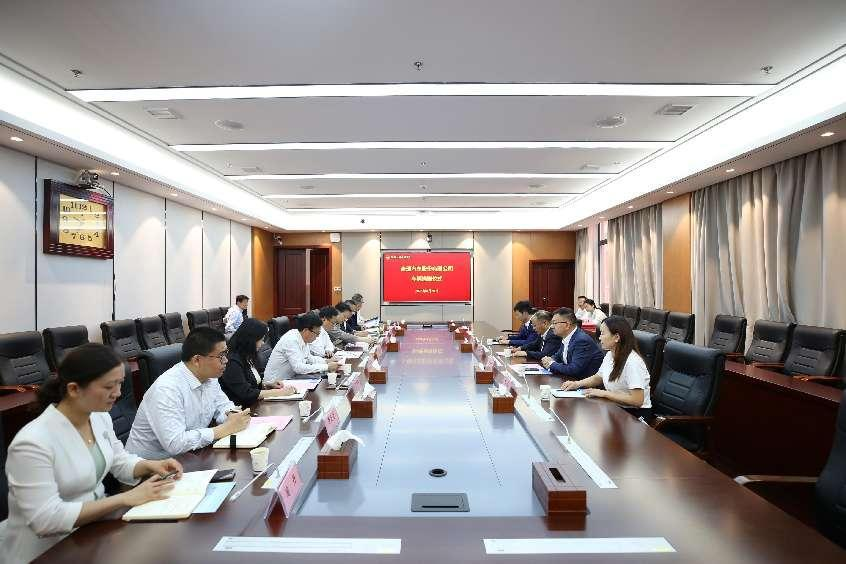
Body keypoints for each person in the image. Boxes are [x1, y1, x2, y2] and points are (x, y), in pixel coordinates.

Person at [1, 344, 183, 563]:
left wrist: (149, 465)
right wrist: (124, 498)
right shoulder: (32, 442)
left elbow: (118, 460)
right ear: (74, 389)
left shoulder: (98, 416)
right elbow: (45, 520)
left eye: (120, 383)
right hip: (46, 551)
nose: (117, 393)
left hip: (91, 534)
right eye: (108, 386)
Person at [126, 327, 251, 460]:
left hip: (190, 457)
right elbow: (175, 443)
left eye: (226, 354)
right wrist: (223, 429)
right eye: (221, 356)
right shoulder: (167, 389)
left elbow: (222, 405)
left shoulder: (209, 377)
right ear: (197, 360)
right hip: (150, 465)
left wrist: (232, 415)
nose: (226, 360)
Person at [560, 316, 652, 414]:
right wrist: (577, 384)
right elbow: (598, 377)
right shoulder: (610, 354)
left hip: (634, 414)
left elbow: (637, 400)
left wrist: (604, 393)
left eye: (603, 333)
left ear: (616, 337)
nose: (599, 338)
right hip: (615, 407)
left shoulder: (633, 362)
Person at [219, 318, 297, 405]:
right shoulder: (231, 361)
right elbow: (246, 393)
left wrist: (268, 385)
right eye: (261, 339)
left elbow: (252, 383)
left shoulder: (247, 356)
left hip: (255, 404)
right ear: (251, 339)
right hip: (242, 409)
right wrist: (280, 392)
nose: (263, 343)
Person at [264, 312, 340, 383]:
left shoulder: (302, 338)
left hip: (292, 378)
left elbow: (308, 358)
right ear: (306, 330)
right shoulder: (291, 340)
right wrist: (327, 367)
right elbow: (298, 368)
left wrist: (326, 361)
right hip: (276, 383)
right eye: (316, 333)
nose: (317, 337)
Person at [541, 307, 605, 380]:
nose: (552, 326)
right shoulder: (566, 336)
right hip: (570, 380)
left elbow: (574, 369)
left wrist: (551, 364)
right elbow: (558, 356)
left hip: (585, 383)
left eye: (554, 323)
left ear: (567, 325)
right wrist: (549, 359)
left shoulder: (581, 340)